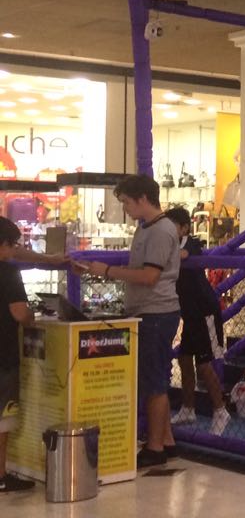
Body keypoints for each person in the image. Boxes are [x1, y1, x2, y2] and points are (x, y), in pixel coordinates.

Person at [77, 175, 181, 467]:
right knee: (152, 376)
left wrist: (108, 270)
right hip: (147, 311)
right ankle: (166, 440)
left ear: (142, 199)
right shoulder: (148, 229)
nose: (124, 208)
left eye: (126, 202)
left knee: (154, 381)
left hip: (156, 313)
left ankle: (156, 446)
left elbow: (149, 276)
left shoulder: (160, 231)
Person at [163, 208, 230, 437]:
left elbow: (181, 256)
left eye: (173, 225)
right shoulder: (170, 244)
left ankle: (220, 410)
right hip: (189, 313)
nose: (168, 230)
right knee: (183, 358)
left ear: (183, 228)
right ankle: (188, 408)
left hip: (204, 310)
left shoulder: (190, 243)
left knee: (205, 363)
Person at [0, 217, 37, 492]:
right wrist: (32, 316)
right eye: (12, 245)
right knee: (3, 418)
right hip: (3, 355)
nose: (14, 251)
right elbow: (20, 313)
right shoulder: (8, 273)